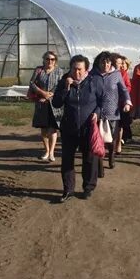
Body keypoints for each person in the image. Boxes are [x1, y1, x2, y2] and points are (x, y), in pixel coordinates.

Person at [52, 55, 105, 203]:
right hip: (69, 127)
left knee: (89, 158)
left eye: (80, 69)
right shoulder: (64, 81)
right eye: (74, 69)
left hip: (88, 127)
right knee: (67, 159)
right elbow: (56, 103)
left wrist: (97, 112)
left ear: (86, 69)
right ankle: (68, 189)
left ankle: (88, 187)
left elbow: (102, 101)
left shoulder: (95, 81)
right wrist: (66, 88)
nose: (77, 73)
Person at [91, 51, 132, 173]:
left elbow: (124, 90)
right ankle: (99, 166)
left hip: (112, 112)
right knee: (98, 140)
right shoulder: (93, 75)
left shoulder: (116, 74)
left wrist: (127, 102)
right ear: (98, 63)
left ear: (111, 63)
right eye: (102, 62)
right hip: (96, 112)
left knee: (111, 140)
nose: (105, 64)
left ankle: (111, 158)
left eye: (108, 62)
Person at [28, 51, 64, 162]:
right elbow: (32, 83)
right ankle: (46, 151)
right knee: (44, 129)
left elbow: (60, 85)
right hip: (41, 103)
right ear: (43, 60)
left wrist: (50, 94)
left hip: (55, 104)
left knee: (53, 129)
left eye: (52, 59)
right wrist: (41, 92)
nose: (50, 61)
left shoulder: (59, 71)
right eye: (47, 59)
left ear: (55, 61)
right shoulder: (39, 70)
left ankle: (52, 152)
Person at [112, 53, 132, 154]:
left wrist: (122, 92)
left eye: (120, 63)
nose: (119, 65)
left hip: (120, 103)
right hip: (110, 102)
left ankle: (118, 144)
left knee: (119, 125)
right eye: (117, 63)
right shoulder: (108, 73)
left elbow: (128, 86)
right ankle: (111, 143)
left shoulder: (123, 73)